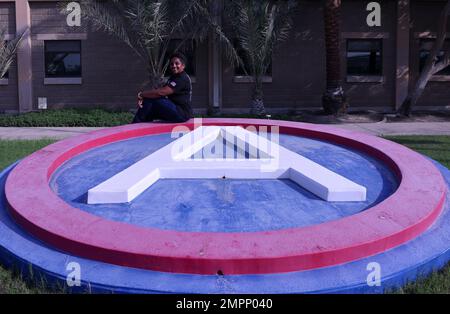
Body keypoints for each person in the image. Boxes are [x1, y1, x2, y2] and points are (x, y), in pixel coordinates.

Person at [132, 53, 193, 123]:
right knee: (150, 106)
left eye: (177, 63)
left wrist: (141, 94)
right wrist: (145, 97)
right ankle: (142, 127)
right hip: (174, 109)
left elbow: (161, 92)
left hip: (182, 114)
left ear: (183, 66)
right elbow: (160, 91)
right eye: (172, 64)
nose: (174, 66)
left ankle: (134, 125)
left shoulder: (182, 78)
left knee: (151, 99)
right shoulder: (173, 77)